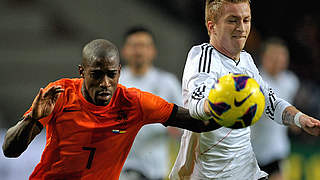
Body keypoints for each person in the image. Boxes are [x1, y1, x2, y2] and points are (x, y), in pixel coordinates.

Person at [1, 39, 221, 180]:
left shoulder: (135, 102)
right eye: (96, 74)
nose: (105, 82)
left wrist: (233, 112)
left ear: (119, 72)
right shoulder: (59, 95)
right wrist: (32, 119)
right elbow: (10, 150)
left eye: (111, 74)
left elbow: (196, 122)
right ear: (82, 72)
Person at [169, 1, 320, 180]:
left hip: (246, 170)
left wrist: (300, 119)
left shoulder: (246, 61)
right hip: (209, 174)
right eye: (232, 20)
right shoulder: (203, 56)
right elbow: (196, 103)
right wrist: (222, 105)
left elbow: (269, 102)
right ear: (212, 26)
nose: (241, 28)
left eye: (246, 20)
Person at [119, 26, 183, 180]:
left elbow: (185, 122)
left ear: (153, 51)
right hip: (119, 168)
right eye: (134, 46)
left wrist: (175, 126)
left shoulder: (167, 83)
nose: (139, 51)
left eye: (144, 46)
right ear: (124, 50)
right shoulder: (113, 83)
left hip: (155, 169)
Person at [250, 37, 300, 180]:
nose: (279, 60)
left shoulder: (291, 82)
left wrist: (295, 122)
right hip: (252, 151)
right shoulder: (253, 81)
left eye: (282, 55)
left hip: (277, 150)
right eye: (274, 56)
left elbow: (288, 107)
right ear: (264, 57)